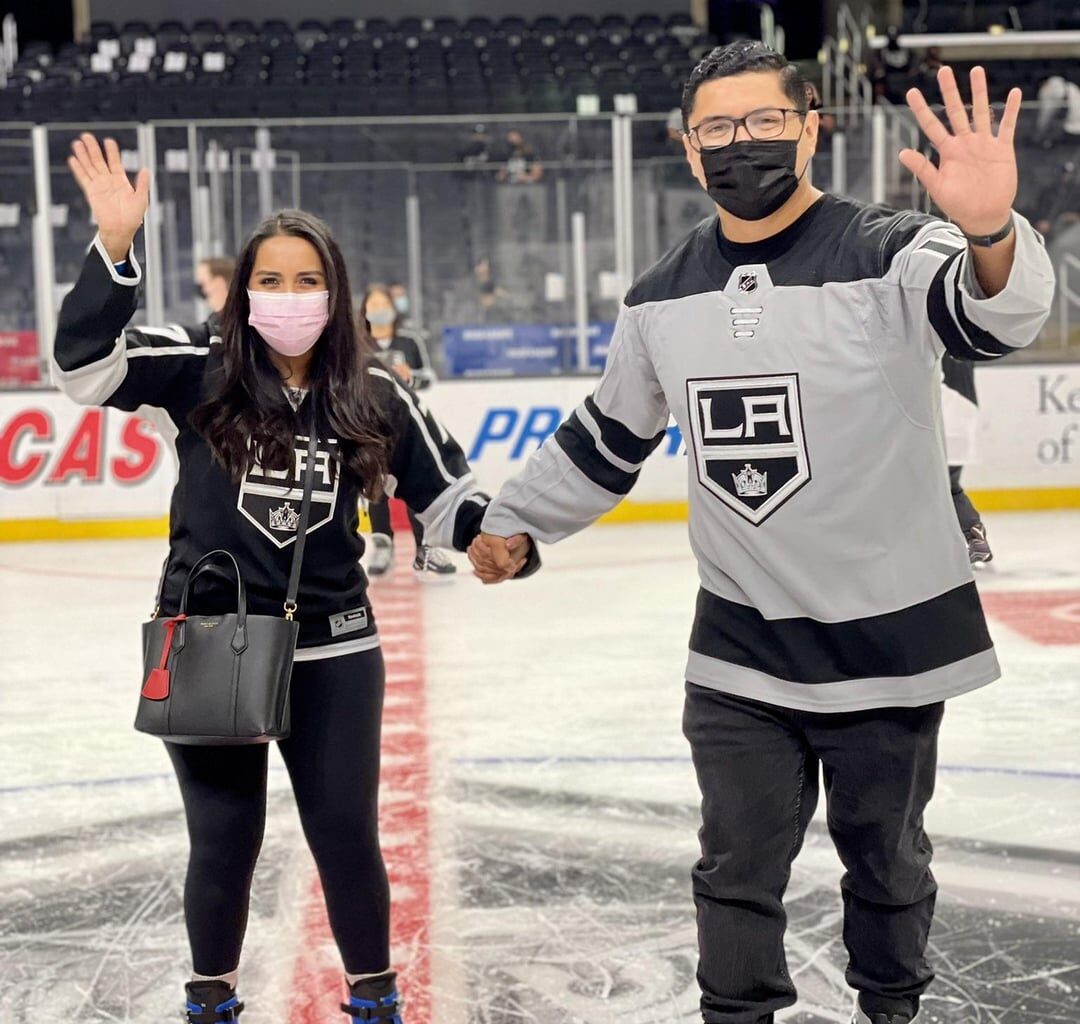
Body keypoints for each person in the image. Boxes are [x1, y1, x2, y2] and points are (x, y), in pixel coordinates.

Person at [470, 42, 1054, 1024]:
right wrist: (520, 523)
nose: (741, 145)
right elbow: (610, 432)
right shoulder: (662, 293)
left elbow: (996, 320)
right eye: (717, 131)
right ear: (689, 152)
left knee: (888, 859)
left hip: (892, 637)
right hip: (743, 640)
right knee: (735, 865)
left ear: (810, 126)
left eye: (763, 123)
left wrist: (990, 228)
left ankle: (891, 1008)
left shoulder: (894, 250)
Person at [53, 133, 522, 1024]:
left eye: (308, 280)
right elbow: (82, 369)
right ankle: (210, 1001)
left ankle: (374, 999)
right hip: (210, 645)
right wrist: (116, 249)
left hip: (336, 650)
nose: (289, 296)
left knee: (345, 834)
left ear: (336, 292)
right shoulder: (195, 369)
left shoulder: (376, 391)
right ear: (242, 293)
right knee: (224, 839)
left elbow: (448, 493)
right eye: (269, 279)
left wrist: (499, 539)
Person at [359, 283, 454, 580]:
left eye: (382, 304)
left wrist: (409, 377)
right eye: (372, 306)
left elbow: (428, 378)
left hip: (408, 423)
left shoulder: (409, 341)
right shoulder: (356, 342)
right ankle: (382, 546)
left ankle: (424, 549)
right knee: (376, 486)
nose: (378, 311)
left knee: (415, 485)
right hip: (369, 426)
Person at [941, 354, 992, 564]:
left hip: (943, 418)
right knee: (950, 486)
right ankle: (973, 534)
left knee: (929, 489)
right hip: (965, 419)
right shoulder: (963, 342)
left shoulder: (933, 342)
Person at [194, 255, 235, 333]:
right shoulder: (214, 323)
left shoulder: (234, 324)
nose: (199, 289)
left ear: (219, 283)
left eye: (202, 283)